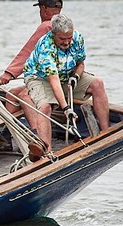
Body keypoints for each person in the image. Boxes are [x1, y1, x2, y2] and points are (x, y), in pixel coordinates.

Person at [22, 14, 110, 149]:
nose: (67, 42)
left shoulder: (77, 38)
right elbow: (54, 81)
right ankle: (47, 152)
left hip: (66, 75)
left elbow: (80, 64)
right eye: (62, 39)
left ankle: (106, 133)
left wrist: (76, 77)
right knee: (45, 107)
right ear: (53, 33)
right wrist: (66, 109)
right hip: (41, 78)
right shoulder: (46, 47)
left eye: (69, 38)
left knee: (97, 83)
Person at [0, 0, 63, 131]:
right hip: (52, 78)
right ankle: (7, 134)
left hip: (54, 82)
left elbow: (28, 52)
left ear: (44, 8)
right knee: (12, 94)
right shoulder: (61, 24)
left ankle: (37, 135)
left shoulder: (47, 26)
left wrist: (9, 73)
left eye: (40, 9)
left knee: (23, 95)